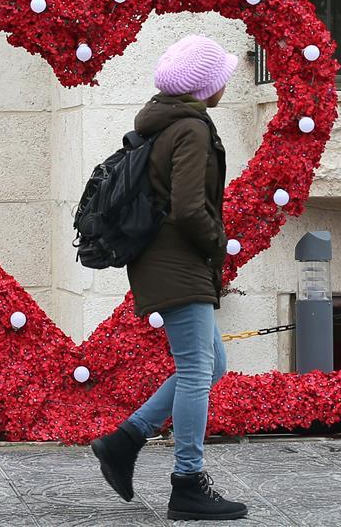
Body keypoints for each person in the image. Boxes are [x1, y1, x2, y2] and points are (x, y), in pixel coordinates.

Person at [91, 35, 248, 521]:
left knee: (210, 364)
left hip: (164, 260)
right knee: (199, 371)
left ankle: (125, 439)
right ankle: (187, 483)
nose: (225, 84)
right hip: (176, 262)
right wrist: (217, 242)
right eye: (220, 78)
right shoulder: (193, 129)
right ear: (204, 88)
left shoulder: (164, 121)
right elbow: (186, 207)